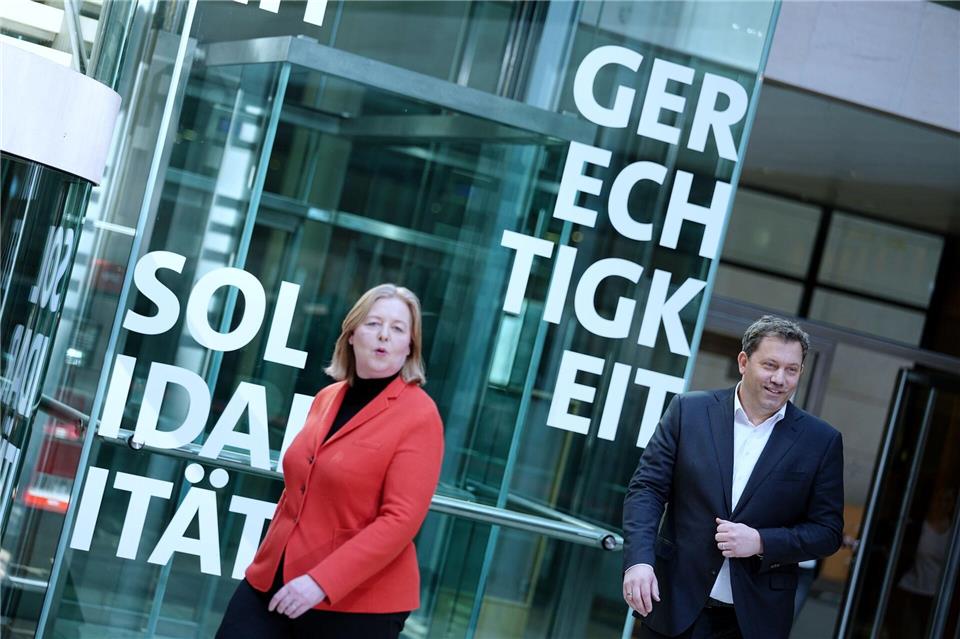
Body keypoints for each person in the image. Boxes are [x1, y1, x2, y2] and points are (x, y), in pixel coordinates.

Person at [216, 284, 444, 639]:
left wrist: (321, 582)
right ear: (352, 334)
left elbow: (400, 520)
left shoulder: (420, 415)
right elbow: (300, 488)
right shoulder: (327, 397)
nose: (384, 335)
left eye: (398, 329)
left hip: (357, 601)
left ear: (410, 346)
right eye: (373, 324)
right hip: (275, 578)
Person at [621, 315, 844, 639]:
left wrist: (761, 541)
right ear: (743, 361)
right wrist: (638, 561)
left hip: (752, 621)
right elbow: (647, 489)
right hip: (673, 604)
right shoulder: (689, 411)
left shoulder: (821, 441)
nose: (780, 379)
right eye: (770, 365)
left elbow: (827, 532)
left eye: (791, 370)